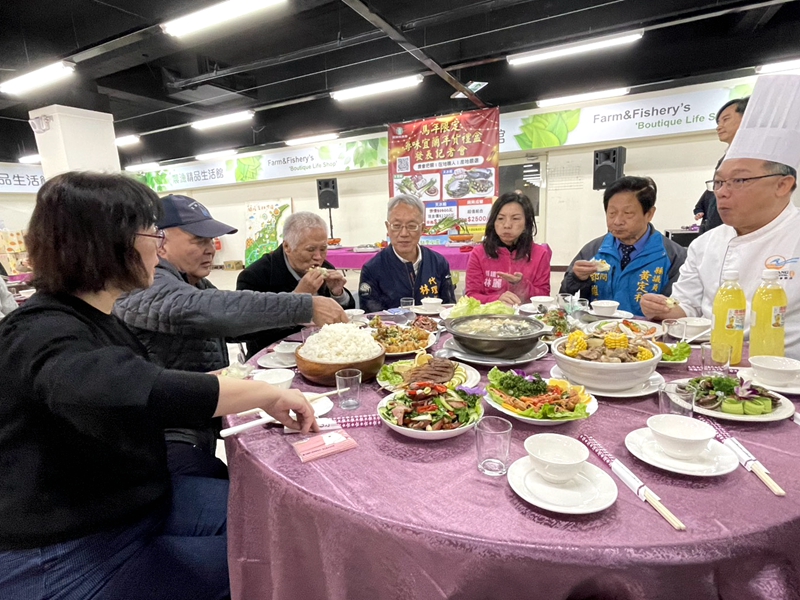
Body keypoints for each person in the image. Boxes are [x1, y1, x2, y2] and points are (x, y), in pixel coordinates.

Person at [0, 171, 317, 600]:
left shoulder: (97, 315)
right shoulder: (43, 331)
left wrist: (221, 383)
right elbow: (124, 388)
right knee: (278, 562)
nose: (159, 247)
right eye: (152, 233)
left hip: (134, 503)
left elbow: (145, 380)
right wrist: (267, 393)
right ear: (110, 241)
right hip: (69, 545)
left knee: (285, 524)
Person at [114, 195, 346, 478]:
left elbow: (230, 324)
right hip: (162, 439)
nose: (211, 249)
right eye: (199, 240)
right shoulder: (147, 284)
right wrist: (303, 304)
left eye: (212, 241)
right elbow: (213, 310)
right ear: (158, 241)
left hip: (198, 421)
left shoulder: (190, 280)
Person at [641, 75, 800, 359]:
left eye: (739, 181)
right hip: (708, 367)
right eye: (718, 183)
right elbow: (686, 308)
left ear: (782, 185)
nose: (722, 193)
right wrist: (665, 309)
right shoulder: (706, 243)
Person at [560, 176, 687, 316]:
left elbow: (683, 307)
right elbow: (564, 295)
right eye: (612, 213)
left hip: (649, 334)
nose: (617, 221)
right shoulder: (593, 250)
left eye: (628, 213)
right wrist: (577, 278)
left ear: (649, 214)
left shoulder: (674, 256)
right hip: (597, 333)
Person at [236, 212, 355, 358]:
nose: (318, 257)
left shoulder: (326, 267)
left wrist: (338, 294)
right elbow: (247, 330)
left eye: (323, 249)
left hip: (322, 352)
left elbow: (343, 318)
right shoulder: (255, 276)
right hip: (274, 358)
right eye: (311, 249)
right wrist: (295, 299)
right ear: (287, 246)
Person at [359, 194, 456, 312]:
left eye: (412, 226)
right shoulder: (372, 269)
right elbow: (371, 317)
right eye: (396, 226)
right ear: (387, 228)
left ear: (422, 229)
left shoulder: (438, 263)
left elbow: (449, 308)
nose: (404, 233)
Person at [465, 191, 551, 305]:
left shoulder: (540, 254)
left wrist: (521, 284)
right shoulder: (479, 253)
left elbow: (544, 297)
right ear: (493, 222)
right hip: (489, 318)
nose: (507, 225)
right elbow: (471, 295)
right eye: (500, 218)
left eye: (515, 219)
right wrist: (496, 300)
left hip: (525, 319)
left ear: (526, 223)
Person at [693, 97, 749, 233]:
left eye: (726, 119)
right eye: (718, 122)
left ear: (747, 118)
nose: (719, 127)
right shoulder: (725, 158)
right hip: (716, 230)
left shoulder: (753, 158)